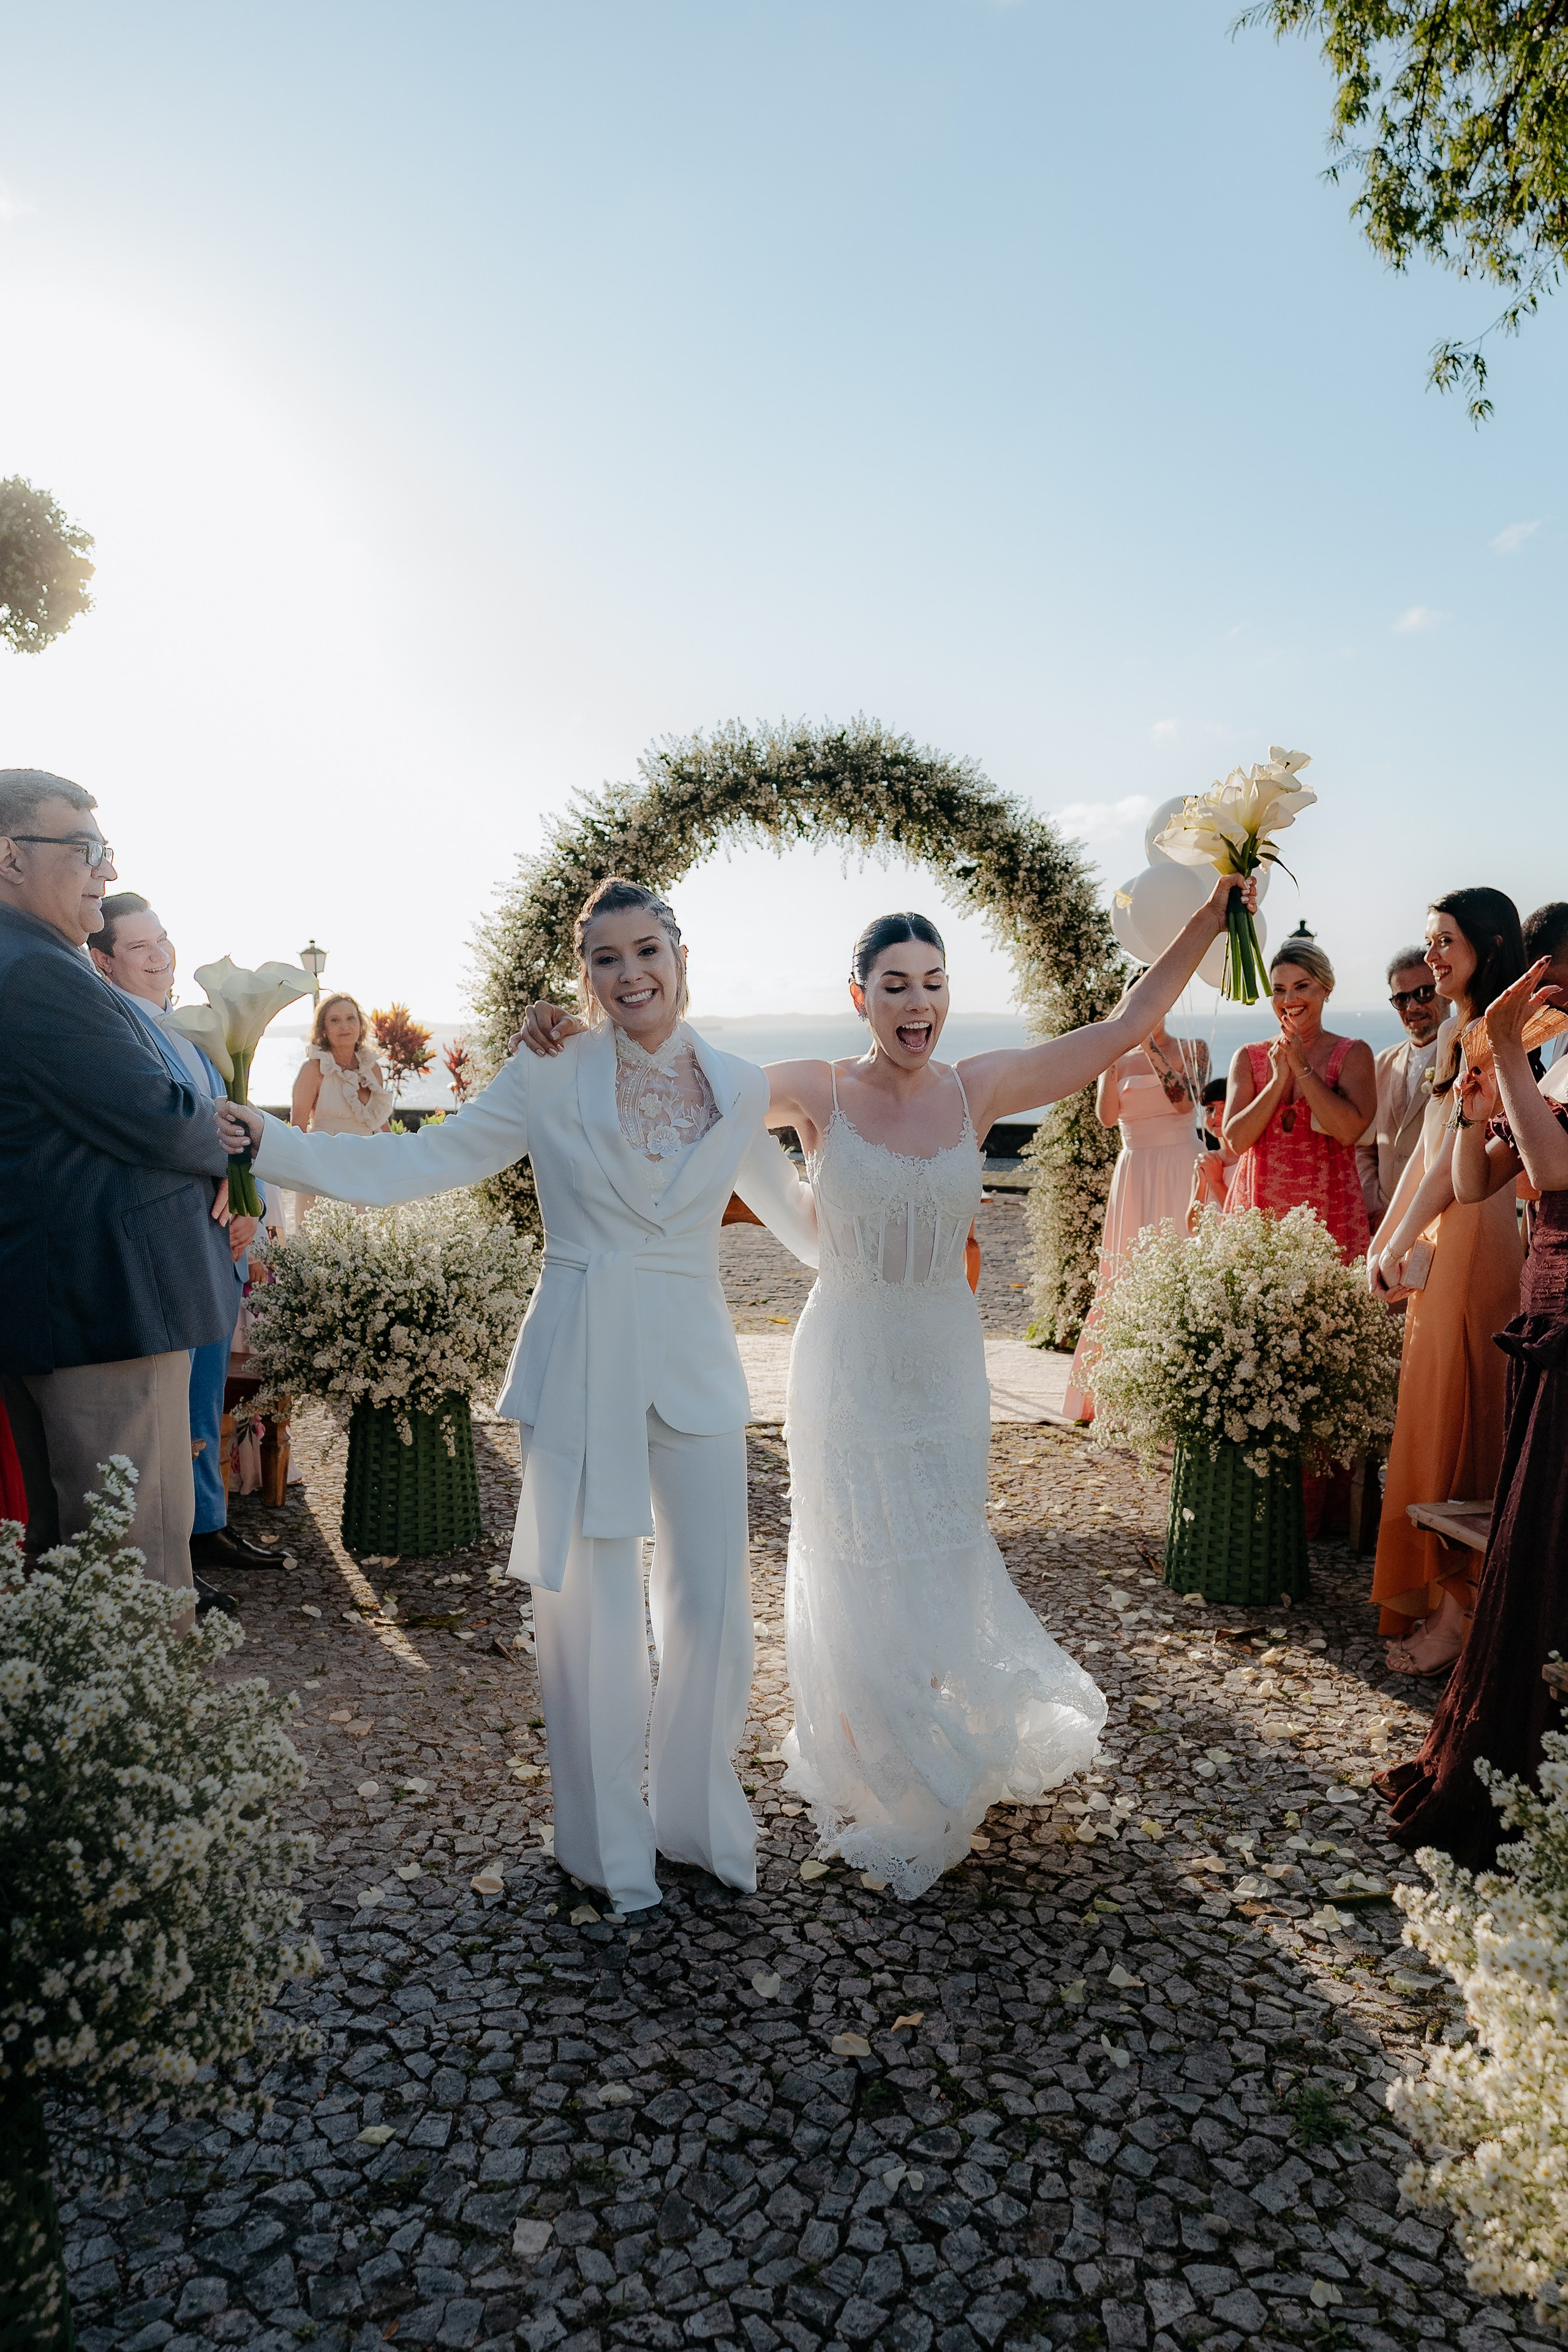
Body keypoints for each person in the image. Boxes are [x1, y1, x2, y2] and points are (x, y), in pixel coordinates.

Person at [521, 867, 1254, 1897]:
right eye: (896, 985)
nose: (918, 1004)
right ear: (858, 994)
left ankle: (940, 1728)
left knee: (942, 1546)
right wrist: (577, 1033)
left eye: (933, 982)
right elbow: (672, 1069)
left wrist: (1211, 923)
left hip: (948, 1362)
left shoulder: (979, 1087)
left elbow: (1129, 1020)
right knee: (856, 1550)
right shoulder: (813, 1088)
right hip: (848, 1361)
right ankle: (874, 1748)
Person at [217, 878, 821, 1920]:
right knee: (587, 1613)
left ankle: (696, 1817)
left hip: (699, 1369)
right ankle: (604, 1846)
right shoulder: (549, 1072)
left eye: (646, 951)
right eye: (605, 959)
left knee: (715, 1609)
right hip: (580, 1353)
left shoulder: (735, 1082)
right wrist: (272, 1145)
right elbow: (422, 1162)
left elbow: (809, 1230)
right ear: (582, 973)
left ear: (681, 953)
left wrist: (910, 1214)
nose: (629, 975)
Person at [0, 770, 236, 1594]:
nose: (105, 870)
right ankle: (139, 1727)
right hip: (102, 1312)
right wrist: (233, 1147)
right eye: (87, 850)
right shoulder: (36, 971)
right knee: (134, 1571)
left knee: (77, 1565)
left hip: (65, 1309)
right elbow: (156, 1113)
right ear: (10, 857)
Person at [1376, 957, 1568, 1866]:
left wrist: (1504, 1055)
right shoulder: (1554, 1062)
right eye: (1545, 980)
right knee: (1534, 1526)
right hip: (1549, 1299)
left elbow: (1555, 1165)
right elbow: (1478, 1176)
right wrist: (1475, 1091)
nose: (1549, 996)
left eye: (1560, 976)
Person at [90, 892, 292, 1599]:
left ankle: (206, 1524)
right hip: (175, 1239)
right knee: (166, 1408)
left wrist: (248, 1204)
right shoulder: (116, 1028)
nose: (161, 955)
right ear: (103, 961)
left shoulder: (187, 1026)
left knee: (204, 1396)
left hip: (222, 1234)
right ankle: (171, 1551)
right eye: (140, 947)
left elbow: (231, 1121)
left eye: (163, 939)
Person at [1368, 889, 1528, 1676]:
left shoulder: (1498, 1035)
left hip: (1479, 1231)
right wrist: (1386, 1240)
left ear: (1488, 942)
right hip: (1448, 1231)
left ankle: (1461, 1612)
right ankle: (1442, 1601)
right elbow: (1429, 1151)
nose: (1431, 955)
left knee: (1465, 1416)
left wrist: (1396, 1237)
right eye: (1428, 942)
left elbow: (1453, 1169)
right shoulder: (1458, 1031)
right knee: (1433, 1412)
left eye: (1445, 941)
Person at [1061, 1019, 1207, 1423]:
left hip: (1181, 1165)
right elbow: (1107, 1117)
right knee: (1125, 1271)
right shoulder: (1117, 1059)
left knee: (1183, 1265)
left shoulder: (1193, 1046)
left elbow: (1184, 1103)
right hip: (1136, 1171)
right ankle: (1118, 1393)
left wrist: (1150, 1049)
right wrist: (1111, 1061)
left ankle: (1185, 1389)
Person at [1221, 933, 1376, 1263]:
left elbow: (1349, 1132)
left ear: (1326, 989)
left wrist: (1302, 1068)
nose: (1289, 998)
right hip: (1256, 1217)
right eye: (1279, 989)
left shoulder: (1353, 1054)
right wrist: (1278, 1080)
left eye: (1302, 986)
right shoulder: (1249, 1057)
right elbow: (1235, 1139)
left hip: (1329, 1216)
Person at [1357, 946, 1447, 1227]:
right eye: (1401, 999)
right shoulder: (1381, 1064)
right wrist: (1377, 1206)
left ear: (1443, 990)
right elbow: (1364, 1148)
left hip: (1442, 1223)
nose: (1413, 1007)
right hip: (1383, 1224)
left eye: (1424, 993)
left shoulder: (1466, 1059)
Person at [289, 993, 393, 1221]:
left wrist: (398, 1158)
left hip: (367, 1166)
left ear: (360, 1025)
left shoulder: (372, 1068)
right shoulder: (313, 1069)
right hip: (324, 1169)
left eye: (350, 1018)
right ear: (323, 1029)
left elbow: (380, 1122)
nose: (344, 1026)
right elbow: (297, 1127)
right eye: (335, 1020)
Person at [1186, 1077, 1235, 1231]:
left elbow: (1243, 1220)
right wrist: (1203, 1182)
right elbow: (1193, 1227)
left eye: (1225, 1108)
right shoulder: (1207, 1161)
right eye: (1210, 1109)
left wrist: (1216, 1181)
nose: (1215, 1116)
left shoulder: (1249, 1159)